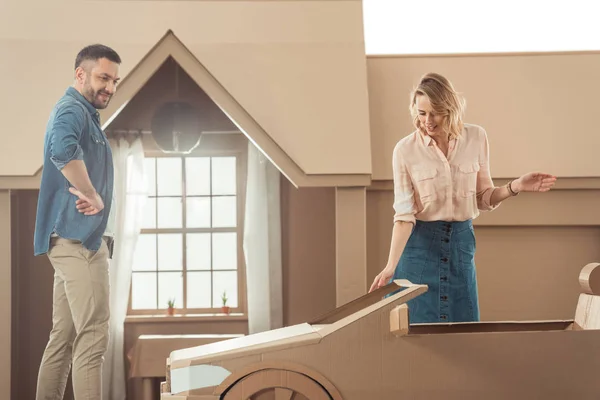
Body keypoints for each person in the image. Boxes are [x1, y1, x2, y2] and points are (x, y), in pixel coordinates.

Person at [369, 72, 556, 324]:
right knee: (416, 334)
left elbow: (483, 197)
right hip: (419, 249)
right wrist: (391, 266)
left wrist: (515, 186)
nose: (427, 121)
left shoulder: (476, 137)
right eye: (421, 113)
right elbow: (404, 216)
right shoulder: (404, 150)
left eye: (434, 112)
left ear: (450, 108)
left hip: (460, 246)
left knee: (464, 331)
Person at [33, 44, 121, 400]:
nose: (111, 87)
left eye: (115, 80)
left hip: (70, 240)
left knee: (64, 339)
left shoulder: (86, 114)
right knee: (94, 335)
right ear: (80, 75)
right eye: (103, 77)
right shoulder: (72, 109)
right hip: (78, 243)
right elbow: (62, 150)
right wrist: (92, 194)